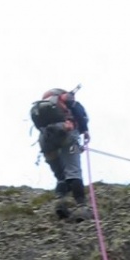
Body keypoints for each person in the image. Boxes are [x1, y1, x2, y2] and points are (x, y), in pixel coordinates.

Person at [31, 88, 90, 219]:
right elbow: (81, 116)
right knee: (73, 171)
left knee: (61, 176)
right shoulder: (70, 102)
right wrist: (85, 131)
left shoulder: (43, 106)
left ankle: (60, 203)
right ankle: (81, 208)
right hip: (68, 136)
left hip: (45, 139)